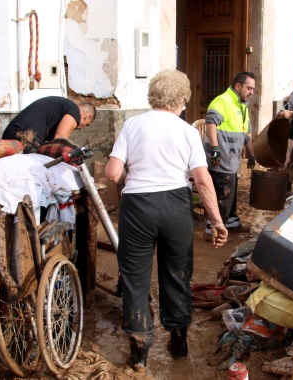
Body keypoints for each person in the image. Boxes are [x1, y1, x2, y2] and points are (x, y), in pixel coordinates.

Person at [104, 69, 228, 372]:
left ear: (153, 96)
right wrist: (217, 221)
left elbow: (112, 173)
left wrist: (124, 184)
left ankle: (140, 351)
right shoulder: (186, 131)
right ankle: (179, 340)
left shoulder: (132, 124)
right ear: (181, 100)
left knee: (134, 279)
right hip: (175, 206)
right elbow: (202, 180)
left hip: (137, 207)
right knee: (177, 274)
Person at [204, 71, 257, 234]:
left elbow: (246, 133)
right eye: (249, 88)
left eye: (253, 89)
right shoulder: (223, 101)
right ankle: (212, 227)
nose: (251, 92)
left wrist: (252, 154)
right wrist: (215, 149)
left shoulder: (242, 105)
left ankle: (231, 223)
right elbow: (211, 122)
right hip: (220, 160)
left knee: (231, 196)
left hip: (232, 161)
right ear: (238, 86)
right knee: (222, 195)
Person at [1, 96, 96, 153]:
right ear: (87, 117)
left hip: (11, 133)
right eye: (86, 124)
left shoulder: (62, 106)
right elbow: (60, 141)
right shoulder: (74, 110)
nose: (81, 128)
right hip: (26, 137)